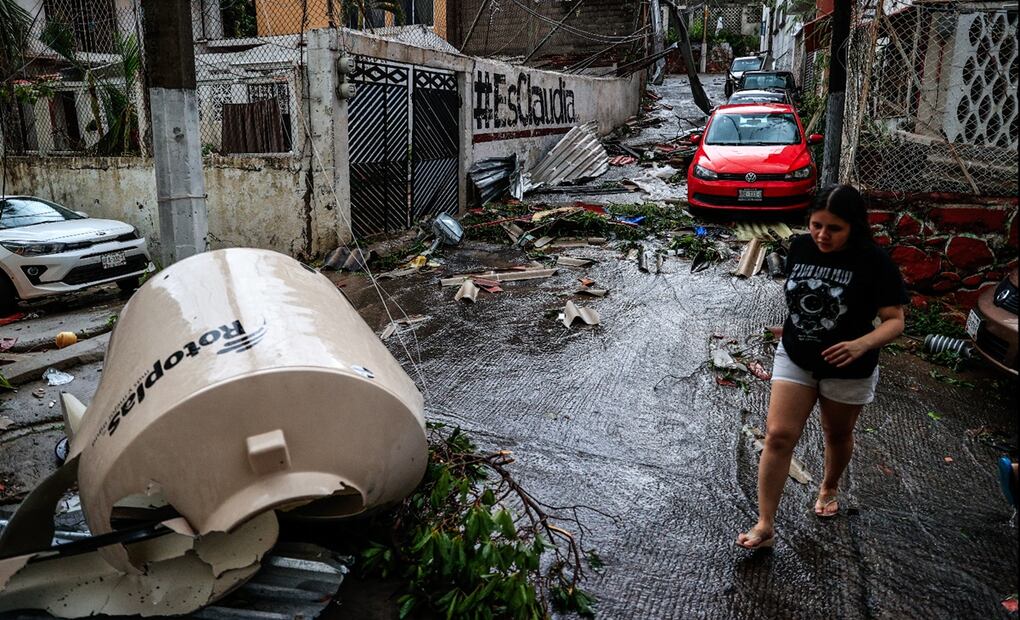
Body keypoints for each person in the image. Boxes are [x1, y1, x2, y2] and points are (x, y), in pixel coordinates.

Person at [737, 184, 909, 550]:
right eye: (816, 225)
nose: (821, 235)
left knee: (836, 434)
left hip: (849, 365)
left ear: (853, 228)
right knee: (779, 435)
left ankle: (829, 485)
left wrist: (862, 343)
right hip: (797, 356)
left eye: (834, 228)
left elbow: (895, 320)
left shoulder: (874, 262)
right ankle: (765, 524)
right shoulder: (799, 247)